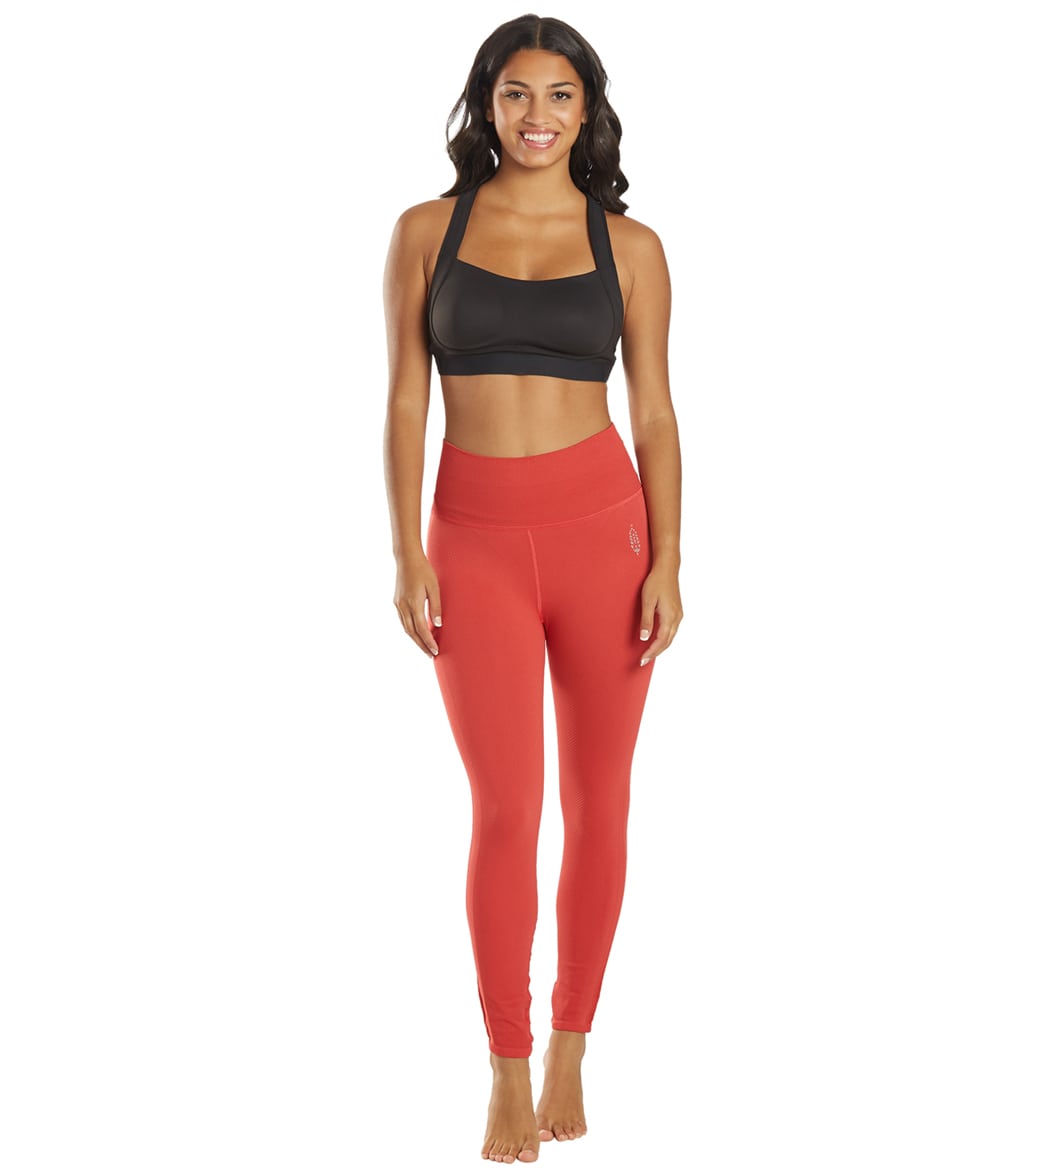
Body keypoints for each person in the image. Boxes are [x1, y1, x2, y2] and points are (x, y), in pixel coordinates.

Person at [382, 13, 682, 1164]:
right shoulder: (427, 231)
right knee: (506, 809)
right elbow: (405, 398)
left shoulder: (631, 246)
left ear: (588, 111)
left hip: (607, 536)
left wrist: (670, 557)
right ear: (486, 103)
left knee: (600, 803)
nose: (537, 118)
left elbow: (655, 412)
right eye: (516, 94)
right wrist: (407, 550)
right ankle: (505, 1064)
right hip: (472, 543)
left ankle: (571, 1042)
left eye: (561, 97)